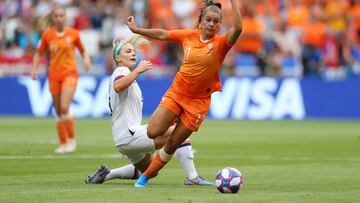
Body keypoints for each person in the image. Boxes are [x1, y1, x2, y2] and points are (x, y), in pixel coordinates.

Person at [126, 0, 243, 188]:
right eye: (208, 20)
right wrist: (137, 30)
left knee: (172, 144)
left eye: (216, 21)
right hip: (177, 93)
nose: (212, 24)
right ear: (201, 21)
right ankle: (164, 137)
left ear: (220, 24)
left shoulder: (221, 44)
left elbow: (238, 28)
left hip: (198, 103)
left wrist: (234, 2)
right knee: (152, 131)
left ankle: (144, 177)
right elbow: (163, 34)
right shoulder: (188, 35)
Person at [85, 34, 212, 186]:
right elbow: (118, 86)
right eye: (128, 51)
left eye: (134, 51)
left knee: (150, 171)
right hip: (129, 134)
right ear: (118, 58)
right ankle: (193, 178)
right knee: (180, 135)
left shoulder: (127, 76)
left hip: (123, 138)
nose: (133, 53)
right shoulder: (121, 71)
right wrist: (138, 70)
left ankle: (106, 175)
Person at [31, 5, 91, 154]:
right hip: (54, 75)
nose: (59, 18)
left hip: (70, 73)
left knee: (64, 107)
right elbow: (39, 53)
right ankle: (63, 143)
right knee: (58, 111)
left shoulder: (73, 33)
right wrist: (34, 69)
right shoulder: (47, 35)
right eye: (56, 16)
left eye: (61, 15)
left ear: (65, 17)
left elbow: (83, 50)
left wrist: (86, 60)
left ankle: (71, 141)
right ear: (52, 18)